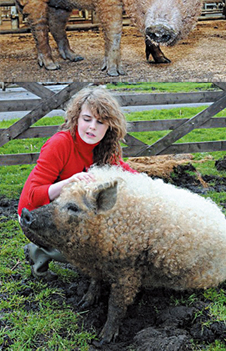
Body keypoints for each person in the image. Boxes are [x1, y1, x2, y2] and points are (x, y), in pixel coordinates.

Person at [18, 86, 137, 280]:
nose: (92, 127)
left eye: (100, 122)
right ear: (76, 118)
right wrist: (69, 182)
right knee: (96, 252)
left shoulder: (106, 147)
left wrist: (149, 182)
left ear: (110, 126)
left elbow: (120, 169)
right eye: (87, 119)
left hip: (69, 215)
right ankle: (40, 251)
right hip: (35, 217)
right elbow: (32, 196)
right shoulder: (60, 144)